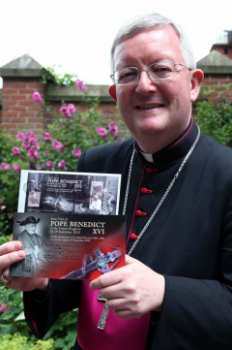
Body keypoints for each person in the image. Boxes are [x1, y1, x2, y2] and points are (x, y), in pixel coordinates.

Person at [0, 12, 232, 350]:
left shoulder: (226, 175)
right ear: (115, 92)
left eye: (162, 69)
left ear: (194, 84)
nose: (144, 85)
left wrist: (164, 291)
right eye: (128, 74)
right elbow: (73, 274)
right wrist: (39, 281)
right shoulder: (96, 163)